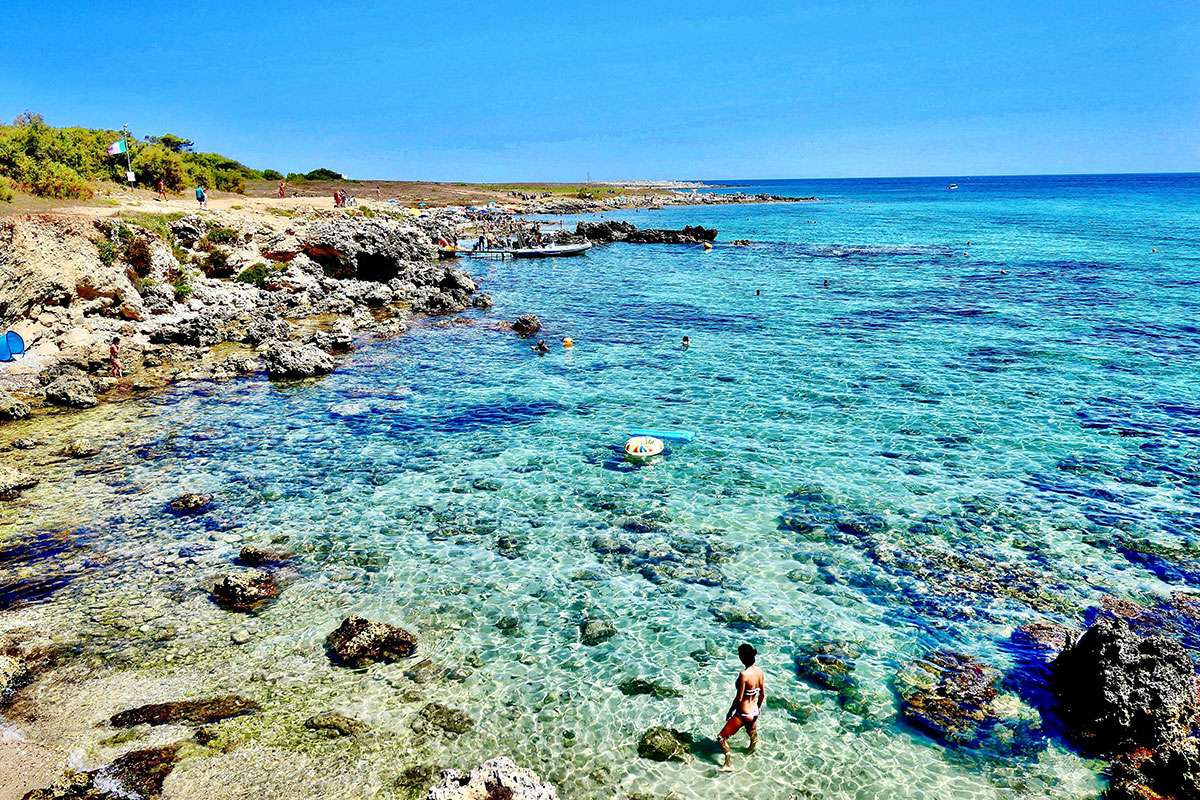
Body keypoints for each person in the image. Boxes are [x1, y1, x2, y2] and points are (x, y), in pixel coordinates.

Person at [717, 643, 765, 772]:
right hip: (754, 712)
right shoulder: (759, 672)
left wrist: (730, 711)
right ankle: (750, 751)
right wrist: (757, 710)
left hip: (743, 713)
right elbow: (762, 695)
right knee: (752, 733)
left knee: (721, 738)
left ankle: (728, 764)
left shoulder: (744, 674)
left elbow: (739, 698)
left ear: (743, 657)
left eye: (739, 655)